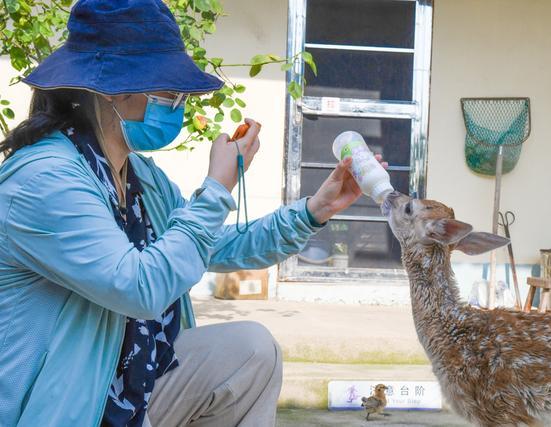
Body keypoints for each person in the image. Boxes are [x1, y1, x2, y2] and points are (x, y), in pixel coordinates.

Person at [0, 1, 386, 426]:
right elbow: (139, 287)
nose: (179, 105)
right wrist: (217, 188)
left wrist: (315, 210)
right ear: (113, 90)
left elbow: (211, 243)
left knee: (251, 351)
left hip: (128, 381)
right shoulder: (46, 181)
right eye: (171, 91)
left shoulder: (139, 175)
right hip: (70, 405)